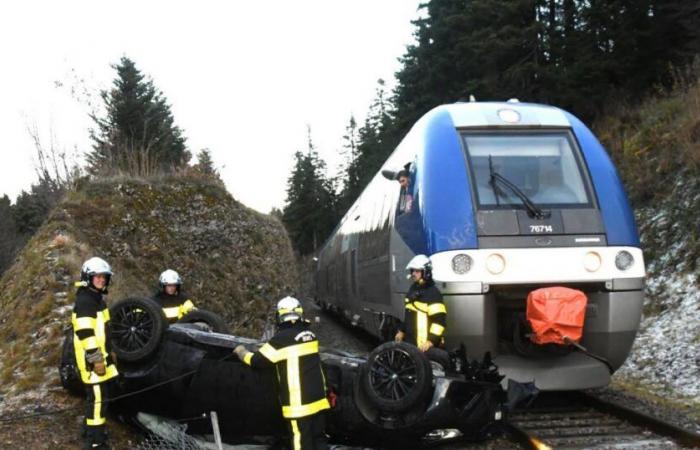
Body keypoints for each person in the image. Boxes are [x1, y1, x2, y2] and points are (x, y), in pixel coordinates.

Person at [234, 296, 330, 450]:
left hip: (299, 405)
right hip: (318, 400)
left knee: (301, 443)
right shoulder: (310, 335)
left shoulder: (281, 340)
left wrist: (241, 352)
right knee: (319, 440)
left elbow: (257, 361)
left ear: (280, 316)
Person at [72, 257, 119, 450]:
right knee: (98, 400)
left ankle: (89, 430)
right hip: (92, 360)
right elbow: (85, 333)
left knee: (98, 398)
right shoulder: (85, 301)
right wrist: (96, 359)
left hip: (101, 358)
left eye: (104, 277)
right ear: (88, 277)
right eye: (97, 277)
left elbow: (104, 331)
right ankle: (95, 442)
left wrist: (110, 353)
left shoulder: (96, 299)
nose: (101, 280)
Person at [395, 254, 447, 352]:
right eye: (412, 270)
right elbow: (409, 315)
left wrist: (431, 341)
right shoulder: (413, 288)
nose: (413, 273)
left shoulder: (433, 293)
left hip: (425, 347)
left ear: (426, 272)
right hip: (411, 345)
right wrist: (401, 331)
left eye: (417, 271)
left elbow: (439, 322)